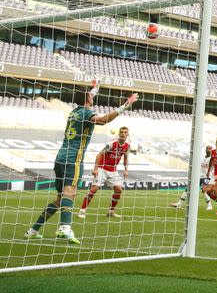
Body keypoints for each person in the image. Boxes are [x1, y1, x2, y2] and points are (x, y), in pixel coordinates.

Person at [24, 81, 138, 244]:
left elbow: (86, 98)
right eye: (91, 95)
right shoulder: (86, 113)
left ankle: (33, 230)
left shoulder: (75, 111)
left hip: (61, 157)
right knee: (70, 193)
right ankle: (65, 228)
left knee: (60, 199)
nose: (92, 96)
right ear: (88, 99)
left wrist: (95, 88)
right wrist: (124, 106)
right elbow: (103, 120)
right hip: (73, 159)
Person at [78, 126, 132, 219]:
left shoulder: (127, 146)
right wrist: (95, 168)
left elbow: (126, 159)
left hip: (113, 170)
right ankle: (82, 210)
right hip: (102, 169)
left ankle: (111, 211)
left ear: (128, 134)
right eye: (121, 132)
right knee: (94, 189)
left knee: (119, 190)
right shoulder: (111, 144)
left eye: (125, 132)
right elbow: (99, 155)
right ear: (119, 134)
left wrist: (126, 170)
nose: (123, 134)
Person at [170, 145, 213, 210]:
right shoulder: (201, 158)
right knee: (188, 188)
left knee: (204, 189)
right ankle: (179, 204)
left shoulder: (212, 159)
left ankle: (209, 205)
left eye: (210, 149)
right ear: (205, 150)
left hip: (207, 176)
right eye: (208, 148)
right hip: (198, 176)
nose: (209, 150)